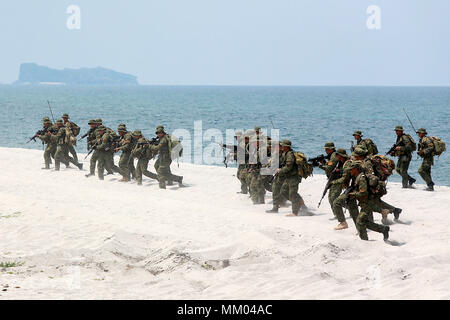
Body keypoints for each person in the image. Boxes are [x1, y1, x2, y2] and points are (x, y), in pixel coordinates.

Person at [347, 161, 390, 241]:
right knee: (363, 222)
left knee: (359, 222)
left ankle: (364, 240)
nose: (350, 171)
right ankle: (383, 229)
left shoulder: (361, 178)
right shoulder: (358, 177)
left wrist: (354, 194)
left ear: (356, 169)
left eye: (351, 169)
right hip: (366, 203)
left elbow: (364, 192)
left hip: (367, 202)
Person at [266, 139, 304, 216]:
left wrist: (279, 170)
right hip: (287, 176)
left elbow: (288, 167)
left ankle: (295, 211)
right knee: (283, 191)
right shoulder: (284, 154)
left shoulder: (289, 155)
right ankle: (298, 204)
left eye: (282, 146)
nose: (281, 147)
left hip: (293, 177)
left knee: (292, 193)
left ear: (286, 147)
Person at [318, 142, 339, 219]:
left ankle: (338, 215)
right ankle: (338, 214)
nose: (325, 151)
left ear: (331, 149)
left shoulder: (333, 156)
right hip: (333, 178)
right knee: (333, 198)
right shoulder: (332, 156)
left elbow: (329, 168)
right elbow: (330, 166)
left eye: (327, 149)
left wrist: (319, 165)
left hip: (337, 179)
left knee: (332, 198)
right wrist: (323, 163)